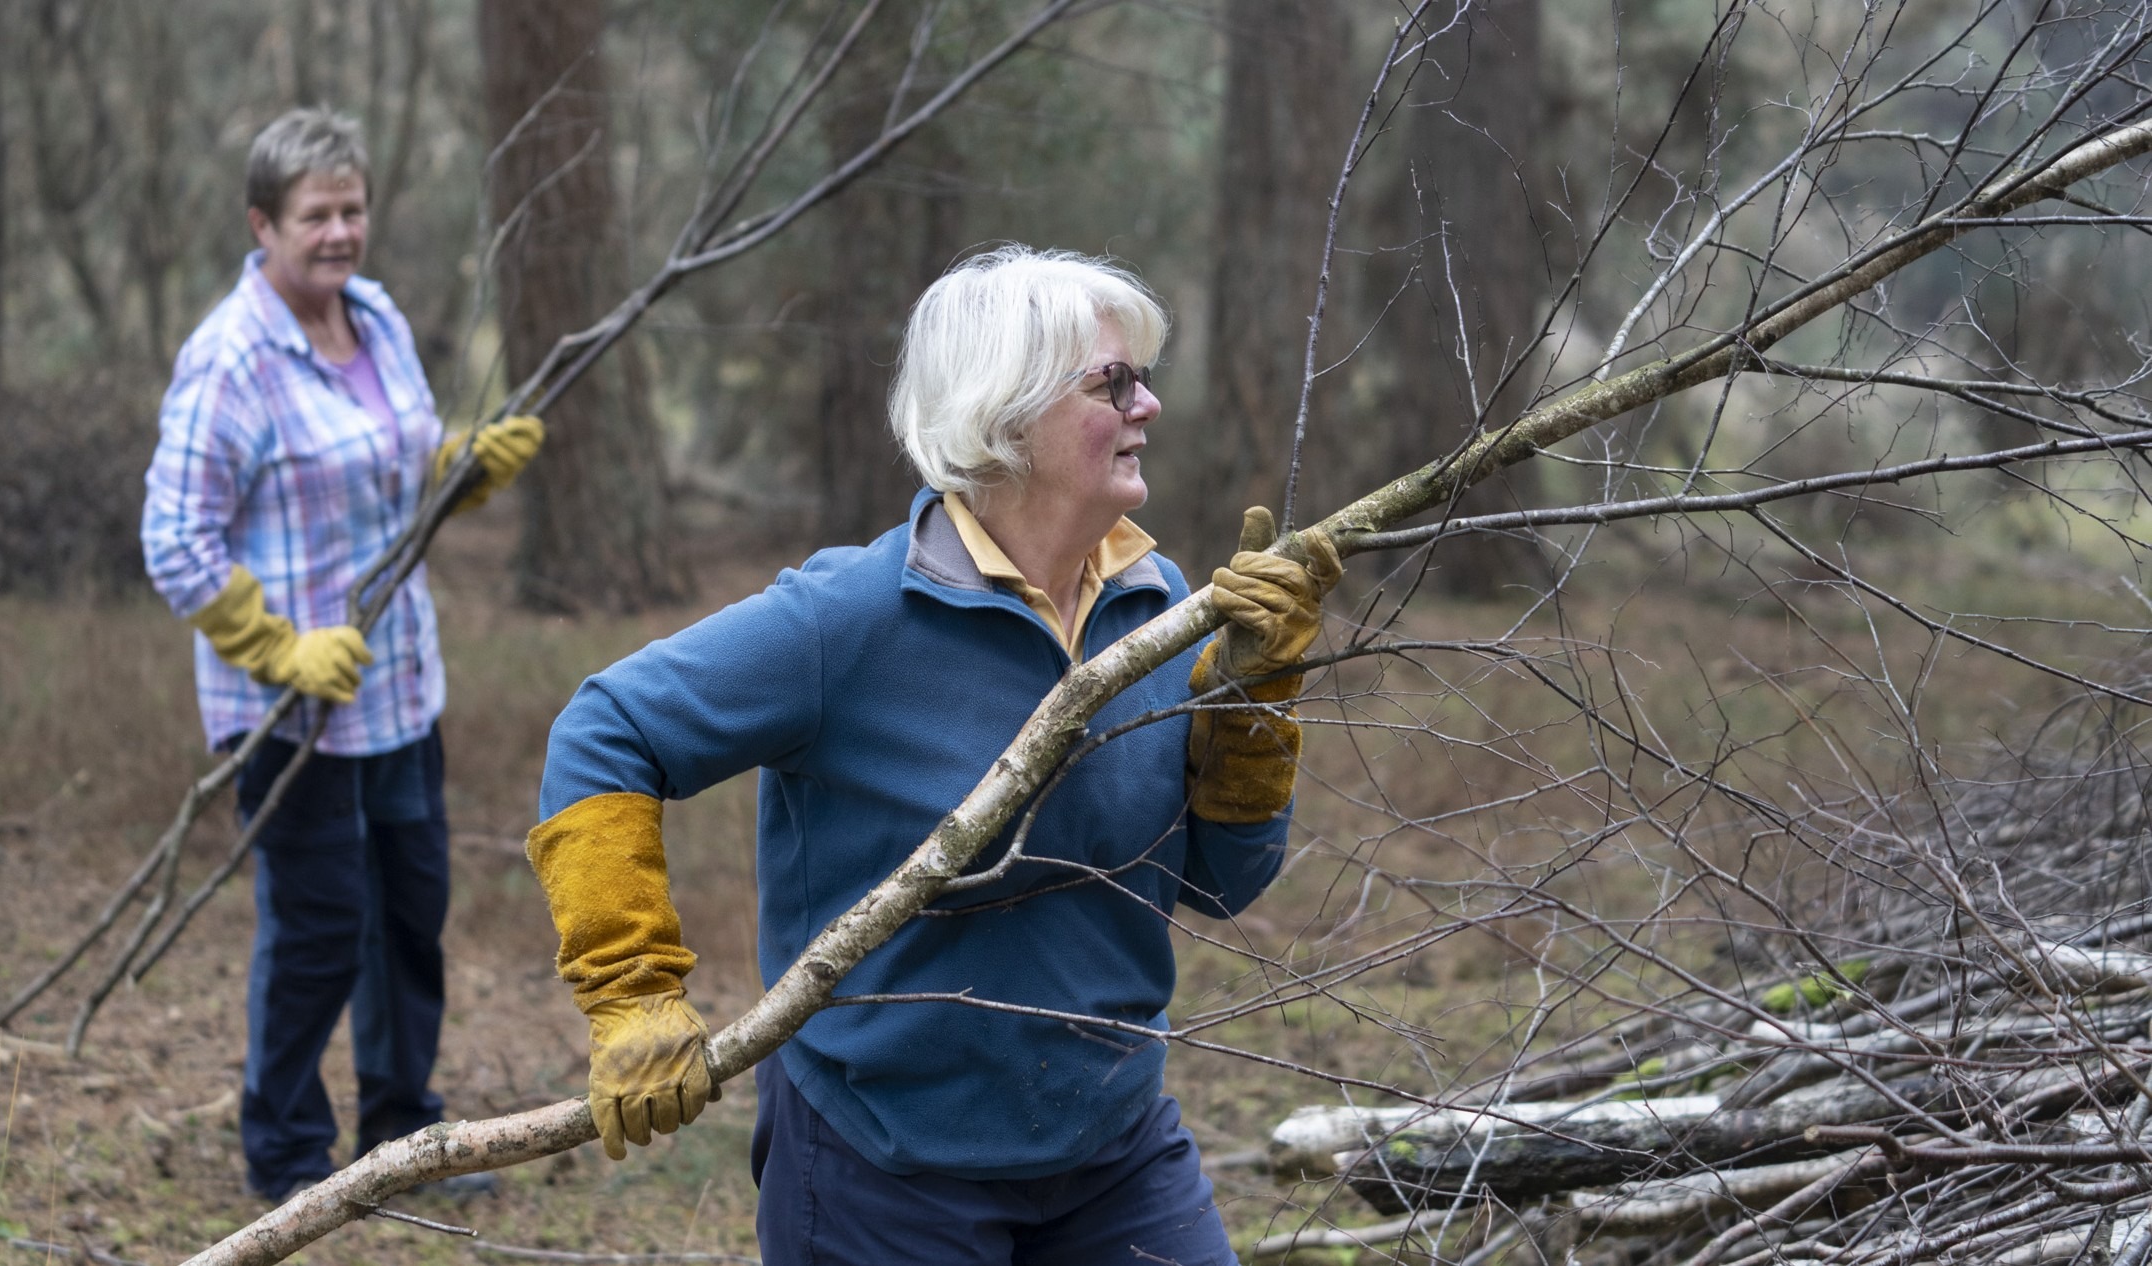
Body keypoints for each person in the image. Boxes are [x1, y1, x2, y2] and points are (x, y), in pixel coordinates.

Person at [526, 244, 1341, 1264]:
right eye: (1116, 381)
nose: (1150, 407)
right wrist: (633, 991)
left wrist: (1251, 701)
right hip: (883, 1166)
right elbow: (608, 729)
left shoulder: (1159, 607)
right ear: (1008, 414)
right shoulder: (849, 619)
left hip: (1113, 1152)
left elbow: (1222, 884)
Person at [140, 107, 544, 1203]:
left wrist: (461, 466)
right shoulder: (230, 362)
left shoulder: (375, 318)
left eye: (352, 209)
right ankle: (282, 1154)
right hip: (294, 710)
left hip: (401, 686)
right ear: (262, 225)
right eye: (315, 214)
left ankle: (401, 1130)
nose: (339, 233)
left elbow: (399, 462)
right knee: (320, 931)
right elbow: (173, 540)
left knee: (410, 913)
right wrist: (275, 647)